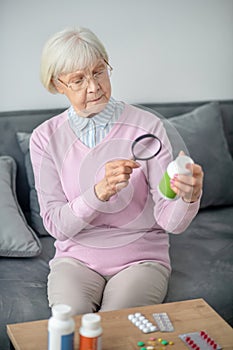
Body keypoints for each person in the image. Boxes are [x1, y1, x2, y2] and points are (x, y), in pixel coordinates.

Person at [30, 26, 204, 316]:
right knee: (70, 325)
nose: (94, 87)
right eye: (78, 80)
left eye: (99, 72)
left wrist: (188, 197)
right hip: (75, 262)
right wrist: (98, 193)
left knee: (116, 329)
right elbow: (56, 226)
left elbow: (170, 222)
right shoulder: (45, 138)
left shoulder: (148, 127)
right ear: (57, 84)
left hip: (141, 260)